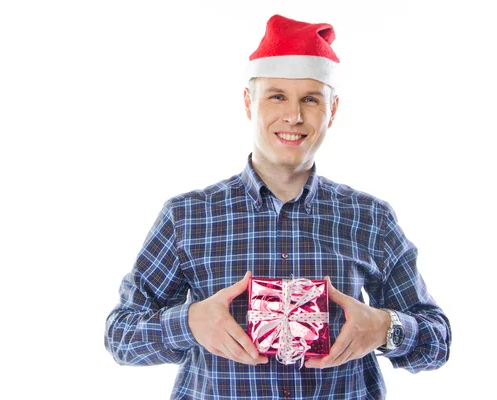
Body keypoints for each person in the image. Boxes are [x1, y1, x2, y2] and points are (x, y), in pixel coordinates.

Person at [104, 14, 451, 399]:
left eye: (310, 99)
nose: (294, 116)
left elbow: (437, 341)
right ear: (248, 102)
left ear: (332, 112)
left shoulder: (372, 219)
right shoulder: (186, 217)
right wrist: (189, 322)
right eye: (277, 96)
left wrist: (385, 328)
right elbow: (120, 334)